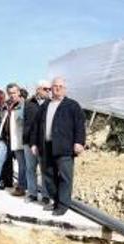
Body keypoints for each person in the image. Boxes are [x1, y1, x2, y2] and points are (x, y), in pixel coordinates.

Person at [30, 77, 86, 216]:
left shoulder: (72, 105)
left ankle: (63, 205)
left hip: (64, 148)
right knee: (48, 176)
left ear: (65, 89)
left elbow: (80, 125)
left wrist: (79, 142)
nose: (57, 88)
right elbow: (36, 126)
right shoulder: (45, 105)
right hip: (46, 146)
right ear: (51, 88)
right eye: (55, 86)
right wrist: (34, 143)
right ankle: (56, 201)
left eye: (60, 86)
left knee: (65, 177)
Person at [0, 83, 27, 196]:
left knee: (22, 164)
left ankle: (21, 187)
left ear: (19, 92)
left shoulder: (24, 105)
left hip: (18, 139)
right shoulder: (6, 105)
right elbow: (1, 121)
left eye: (14, 93)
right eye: (10, 93)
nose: (12, 95)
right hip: (4, 138)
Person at [24, 80, 51, 203]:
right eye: (46, 89)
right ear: (38, 89)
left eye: (49, 89)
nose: (48, 91)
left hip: (43, 142)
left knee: (44, 169)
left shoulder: (51, 104)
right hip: (28, 141)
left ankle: (46, 195)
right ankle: (32, 193)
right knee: (30, 168)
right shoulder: (28, 103)